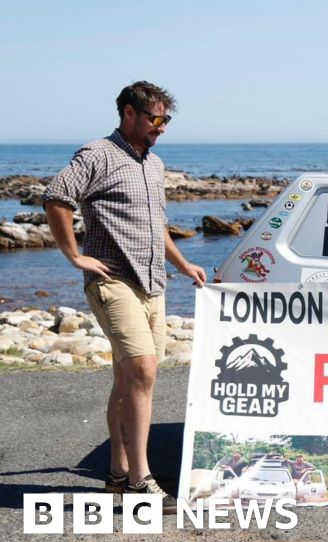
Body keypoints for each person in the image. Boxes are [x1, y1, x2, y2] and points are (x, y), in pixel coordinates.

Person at [43, 81, 207, 509]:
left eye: (166, 120)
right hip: (112, 281)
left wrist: (183, 264)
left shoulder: (153, 163)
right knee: (143, 372)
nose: (162, 128)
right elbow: (57, 198)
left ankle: (117, 474)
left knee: (128, 379)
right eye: (155, 118)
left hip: (153, 284)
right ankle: (140, 480)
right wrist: (74, 256)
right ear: (128, 113)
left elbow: (157, 226)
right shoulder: (97, 154)